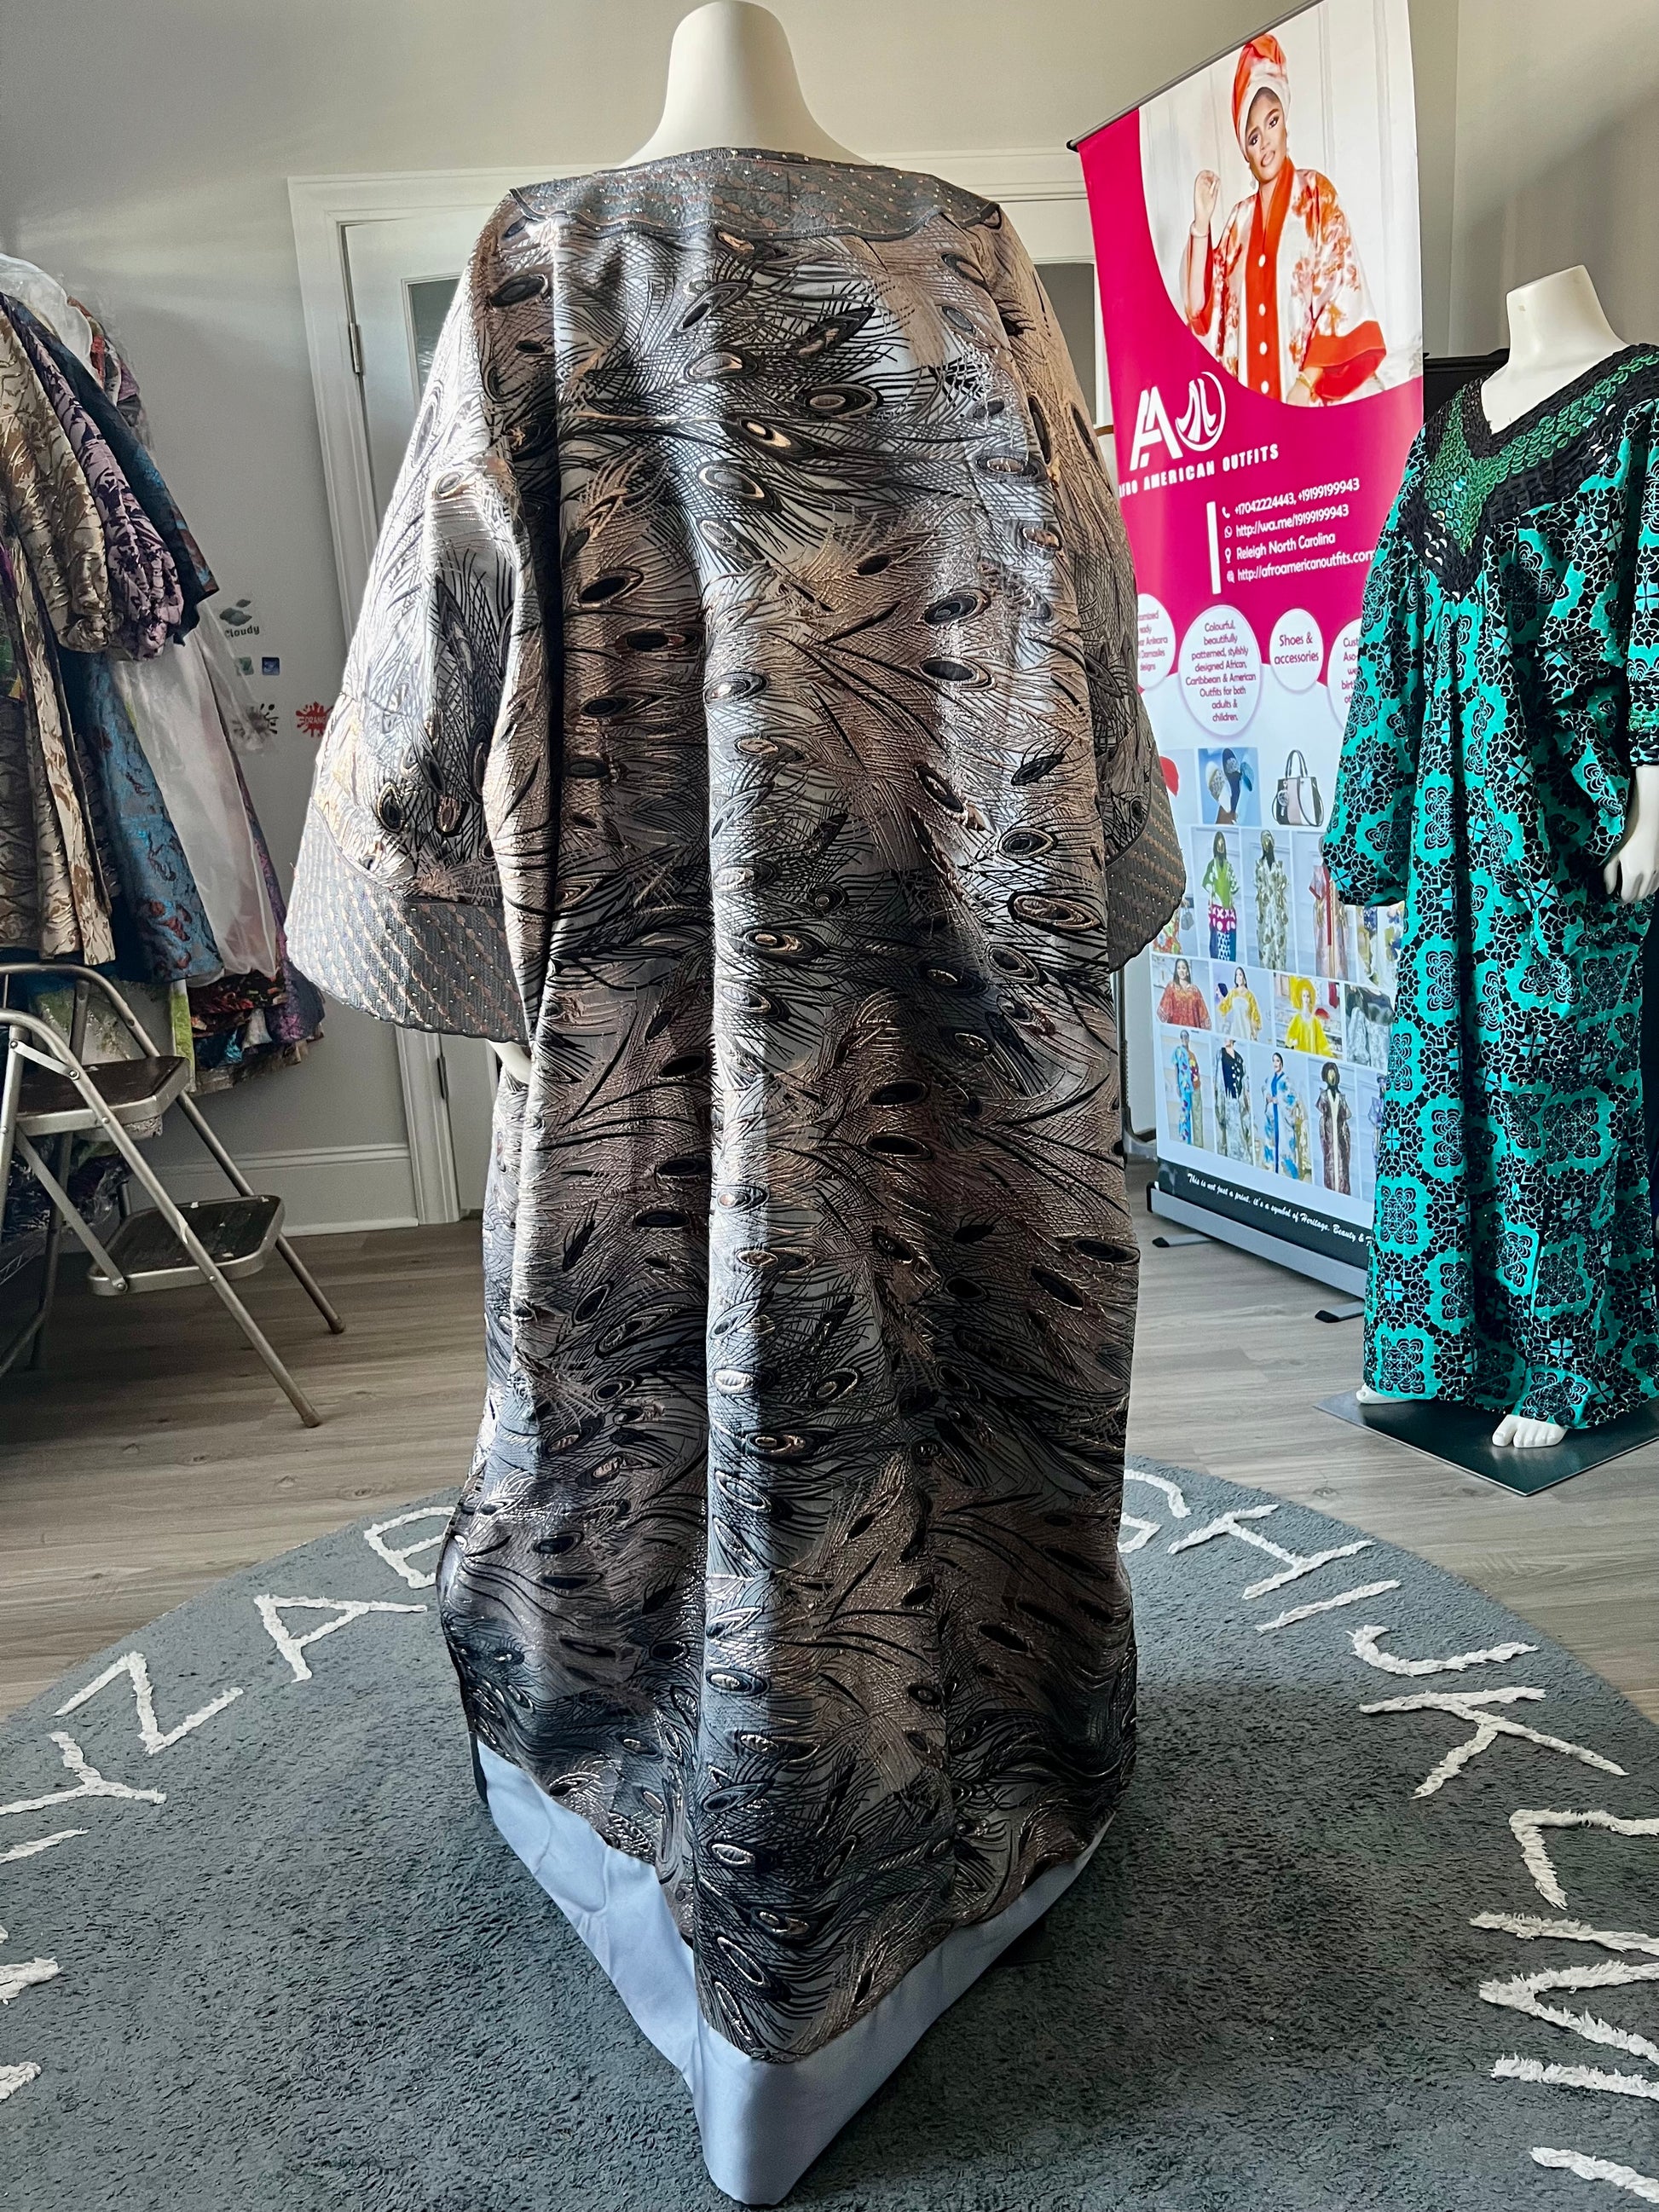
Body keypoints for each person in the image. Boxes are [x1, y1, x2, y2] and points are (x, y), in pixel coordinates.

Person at [1182, 32, 1385, 406]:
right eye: (1253, 137)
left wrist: (1304, 385)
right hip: (1250, 419)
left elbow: (1340, 294)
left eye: (1272, 122)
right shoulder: (1238, 222)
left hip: (1304, 406)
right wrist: (1201, 224)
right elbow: (1201, 311)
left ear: (1286, 124)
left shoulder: (1316, 196)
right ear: (1245, 152)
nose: (1265, 143)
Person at [1254, 829, 1290, 969]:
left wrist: (1279, 896)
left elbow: (1283, 882)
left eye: (1269, 842)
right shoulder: (1259, 864)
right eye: (1264, 843)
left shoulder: (1278, 865)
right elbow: (1258, 883)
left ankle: (1279, 965)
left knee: (1278, 934)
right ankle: (1266, 965)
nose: (1266, 845)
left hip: (1276, 904)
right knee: (1265, 936)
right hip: (1264, 906)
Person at [1317, 1060, 1352, 1193]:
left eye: (1333, 1075)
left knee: (1342, 1166)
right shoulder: (1323, 1096)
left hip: (1340, 1138)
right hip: (1329, 1137)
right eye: (1329, 1075)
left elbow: (1347, 1115)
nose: (1331, 1078)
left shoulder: (1341, 1097)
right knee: (1330, 1165)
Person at [1203, 831, 1239, 961]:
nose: (1220, 848)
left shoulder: (1229, 866)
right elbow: (1206, 882)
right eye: (1218, 845)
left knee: (1229, 935)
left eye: (1222, 845)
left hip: (1228, 907)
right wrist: (1213, 893)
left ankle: (1229, 959)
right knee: (1217, 935)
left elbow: (1234, 886)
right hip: (1216, 907)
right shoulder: (1212, 865)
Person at [1216, 1037, 1253, 1161]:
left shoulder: (1239, 1058)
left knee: (1240, 1126)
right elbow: (1218, 1078)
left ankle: (1241, 1155)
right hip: (1227, 1098)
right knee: (1230, 1127)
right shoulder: (1221, 1054)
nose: (1225, 1039)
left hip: (1238, 1099)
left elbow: (1244, 1079)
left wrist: (1246, 1097)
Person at [1157, 955, 1211, 1028]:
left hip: (1192, 1029)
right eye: (1178, 968)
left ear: (1187, 971)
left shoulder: (1195, 991)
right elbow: (1164, 1011)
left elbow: (1203, 1013)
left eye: (1184, 968)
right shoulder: (1171, 987)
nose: (1181, 971)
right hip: (1175, 1028)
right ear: (1176, 971)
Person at [1284, 973, 1331, 1054]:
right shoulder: (1297, 1019)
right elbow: (1289, 1037)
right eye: (1304, 996)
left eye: (1308, 996)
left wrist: (1328, 1054)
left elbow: (1322, 1042)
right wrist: (1293, 1041)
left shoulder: (1315, 1021)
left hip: (1312, 1054)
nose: (1306, 999)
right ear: (1300, 997)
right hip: (1300, 1055)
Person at [1171, 1031, 1204, 1144]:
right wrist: (1177, 1085)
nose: (1184, 1039)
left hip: (1194, 1086)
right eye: (1182, 1037)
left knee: (1196, 1113)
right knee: (1185, 1112)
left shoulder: (1192, 1055)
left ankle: (1197, 1142)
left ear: (1189, 1038)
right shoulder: (1178, 1051)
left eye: (1186, 1037)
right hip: (1184, 1086)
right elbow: (1176, 1068)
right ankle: (1185, 1140)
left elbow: (1196, 1069)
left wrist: (1198, 1081)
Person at [1214, 963, 1262, 1038]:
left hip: (1246, 1029)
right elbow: (1224, 1007)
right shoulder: (1233, 993)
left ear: (1244, 978)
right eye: (1236, 975)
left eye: (1240, 975)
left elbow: (1255, 1014)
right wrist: (1219, 995)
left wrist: (1254, 1031)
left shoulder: (1250, 996)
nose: (1238, 977)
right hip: (1235, 1029)